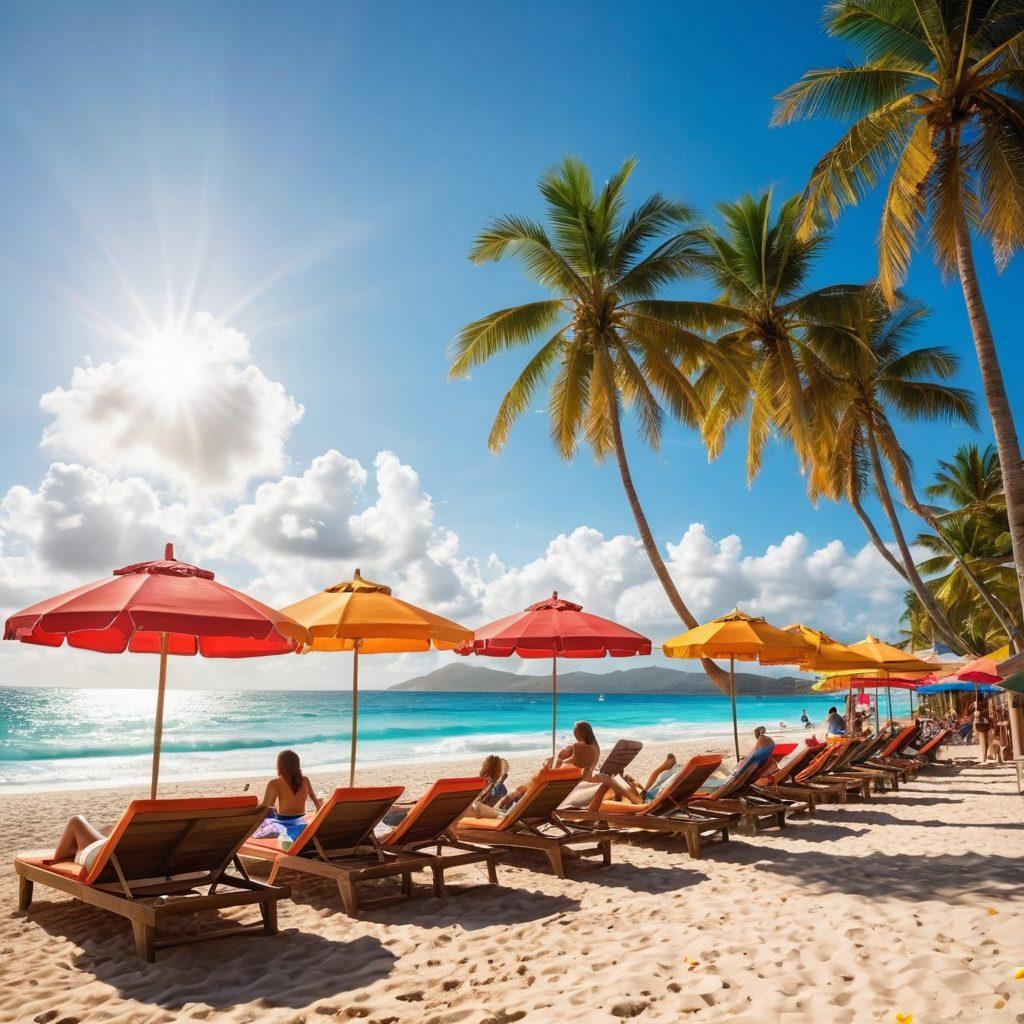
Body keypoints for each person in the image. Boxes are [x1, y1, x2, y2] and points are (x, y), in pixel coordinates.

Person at [252, 749, 321, 846]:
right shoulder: (305, 780)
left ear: (280, 765)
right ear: (297, 765)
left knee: (258, 827)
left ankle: (286, 837)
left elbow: (267, 807)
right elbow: (316, 801)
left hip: (284, 822)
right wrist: (318, 816)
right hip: (301, 820)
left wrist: (254, 808)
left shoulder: (274, 783)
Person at [972, 700, 994, 764]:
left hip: (984, 726)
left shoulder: (986, 705)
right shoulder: (977, 707)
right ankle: (984, 757)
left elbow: (989, 715)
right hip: (981, 726)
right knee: (984, 742)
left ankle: (985, 756)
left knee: (985, 742)